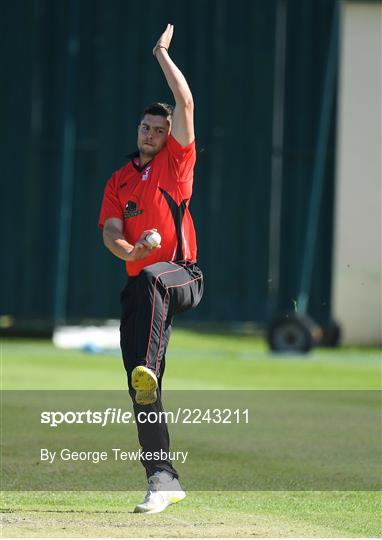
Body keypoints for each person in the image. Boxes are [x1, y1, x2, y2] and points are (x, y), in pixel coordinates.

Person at [98, 24, 203, 514]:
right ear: (137, 129)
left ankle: (149, 366)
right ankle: (162, 478)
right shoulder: (120, 179)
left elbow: (185, 103)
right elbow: (110, 234)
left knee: (154, 275)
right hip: (139, 289)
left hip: (181, 276)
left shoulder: (175, 166)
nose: (152, 134)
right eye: (146, 127)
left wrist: (161, 53)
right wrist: (131, 248)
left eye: (159, 130)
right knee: (141, 389)